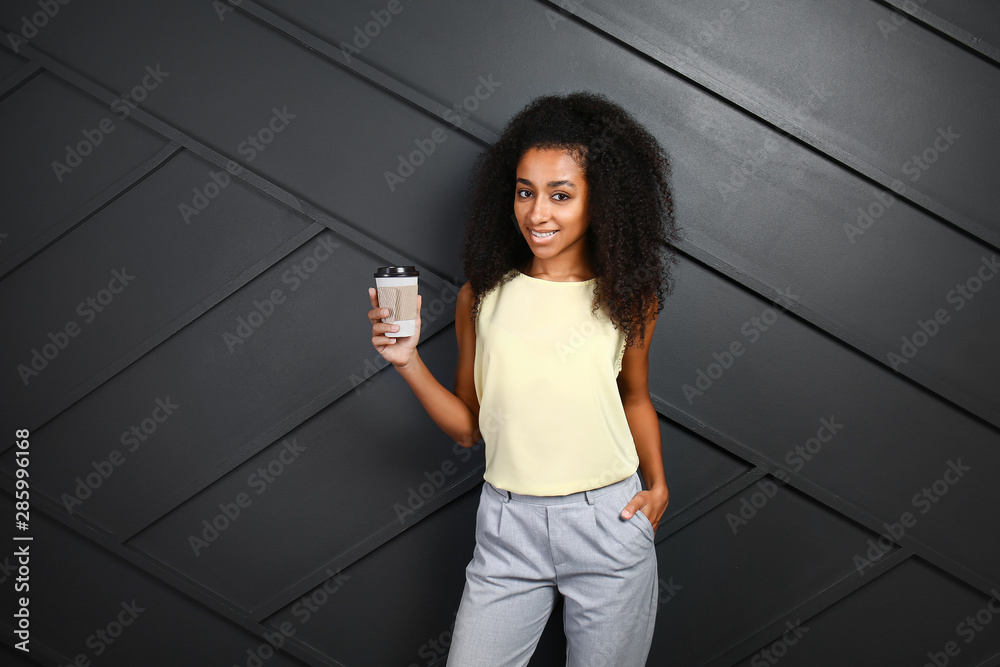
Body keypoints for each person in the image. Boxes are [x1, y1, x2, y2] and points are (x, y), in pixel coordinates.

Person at [366, 90, 680, 666]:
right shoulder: (481, 299)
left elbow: (634, 397)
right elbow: (468, 429)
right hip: (508, 527)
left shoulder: (630, 300)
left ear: (598, 202)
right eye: (526, 191)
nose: (538, 214)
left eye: (561, 195)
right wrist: (407, 360)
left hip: (607, 522)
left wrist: (657, 486)